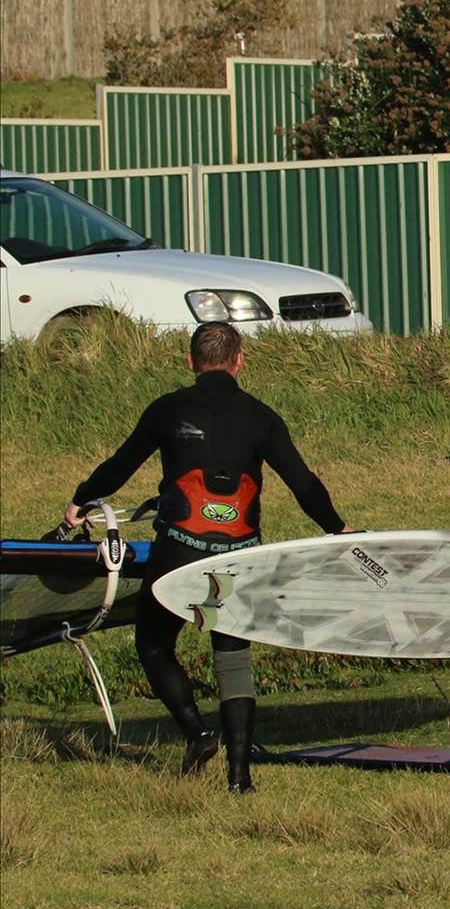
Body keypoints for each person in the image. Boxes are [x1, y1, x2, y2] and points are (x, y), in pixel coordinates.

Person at [63, 321, 348, 791]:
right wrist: (336, 528)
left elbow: (119, 467)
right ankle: (239, 778)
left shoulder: (167, 409)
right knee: (232, 657)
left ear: (191, 361)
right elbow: (304, 484)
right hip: (235, 556)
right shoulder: (261, 417)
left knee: (154, 645)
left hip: (179, 550)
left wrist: (81, 500)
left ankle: (197, 733)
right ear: (239, 361)